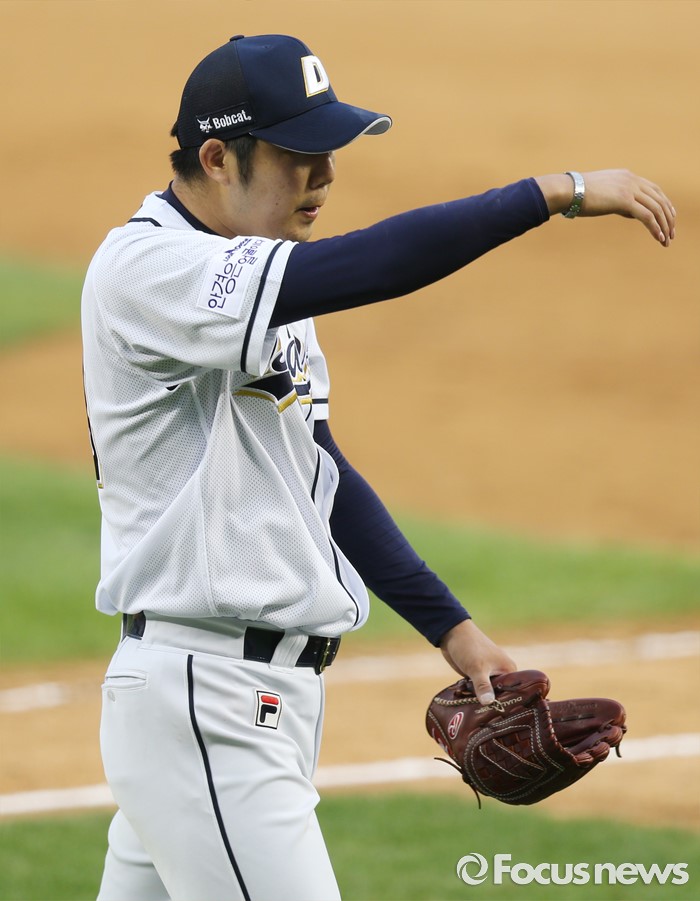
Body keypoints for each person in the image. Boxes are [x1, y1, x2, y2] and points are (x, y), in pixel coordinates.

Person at [81, 32, 675, 901]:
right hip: (209, 703)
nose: (324, 177)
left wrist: (453, 630)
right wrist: (554, 192)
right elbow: (376, 264)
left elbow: (316, 469)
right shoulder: (148, 267)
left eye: (329, 153)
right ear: (217, 157)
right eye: (298, 156)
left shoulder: (260, 278)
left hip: (228, 706)